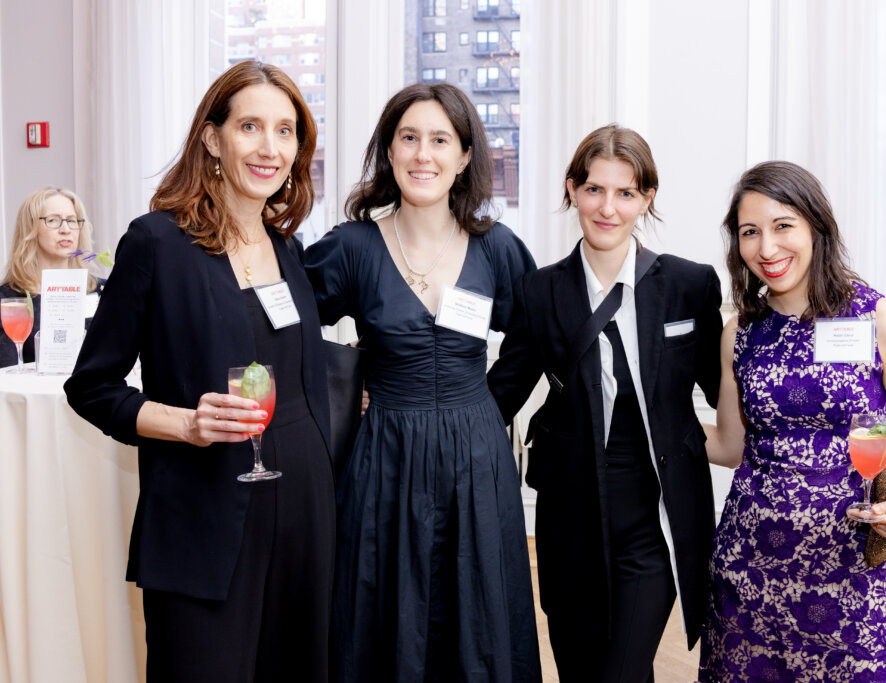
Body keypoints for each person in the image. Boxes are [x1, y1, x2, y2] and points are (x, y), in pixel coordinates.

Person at [64, 60, 335, 682]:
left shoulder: (288, 248)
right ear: (213, 138)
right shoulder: (157, 243)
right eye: (250, 126)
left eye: (286, 130)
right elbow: (91, 387)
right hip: (203, 518)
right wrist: (186, 423)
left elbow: (293, 365)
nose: (270, 148)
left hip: (303, 517)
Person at [304, 82, 541, 682]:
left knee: (479, 615)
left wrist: (488, 406)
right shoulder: (351, 246)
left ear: (465, 156)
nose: (422, 154)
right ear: (389, 151)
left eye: (440, 140)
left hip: (477, 456)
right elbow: (292, 328)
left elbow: (535, 336)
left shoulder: (497, 248)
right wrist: (347, 378)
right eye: (408, 138)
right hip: (384, 452)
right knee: (382, 611)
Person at [487, 124, 725, 682]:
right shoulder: (539, 291)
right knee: (580, 667)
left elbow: (726, 389)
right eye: (594, 189)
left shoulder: (689, 286)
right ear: (572, 190)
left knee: (621, 668)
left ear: (646, 199)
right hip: (568, 513)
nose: (608, 208)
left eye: (625, 193)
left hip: (656, 515)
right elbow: (501, 392)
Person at [698, 161, 886, 681]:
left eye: (782, 225)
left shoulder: (879, 319)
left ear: (816, 225)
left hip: (854, 566)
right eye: (749, 232)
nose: (766, 248)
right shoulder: (739, 333)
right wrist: (640, 419)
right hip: (752, 566)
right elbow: (728, 445)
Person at [1, 186, 103, 367]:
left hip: (94, 394)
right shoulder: (7, 300)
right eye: (53, 220)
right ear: (30, 228)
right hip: (33, 395)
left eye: (72, 221)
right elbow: (6, 374)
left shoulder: (103, 291)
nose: (66, 229)